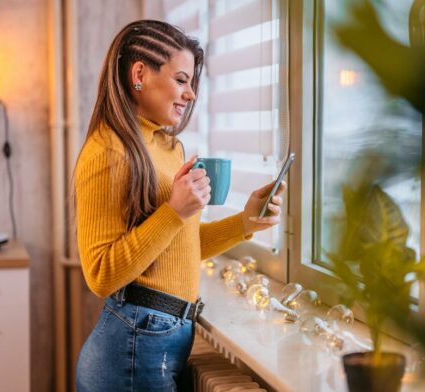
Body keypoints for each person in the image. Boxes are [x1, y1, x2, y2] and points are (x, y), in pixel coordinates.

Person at [73, 20, 286, 392]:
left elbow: (178, 248)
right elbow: (101, 275)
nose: (191, 95)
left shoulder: (168, 148)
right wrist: (174, 212)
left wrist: (246, 222)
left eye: (192, 83)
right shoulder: (107, 152)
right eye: (181, 79)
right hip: (134, 346)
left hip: (161, 337)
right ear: (139, 73)